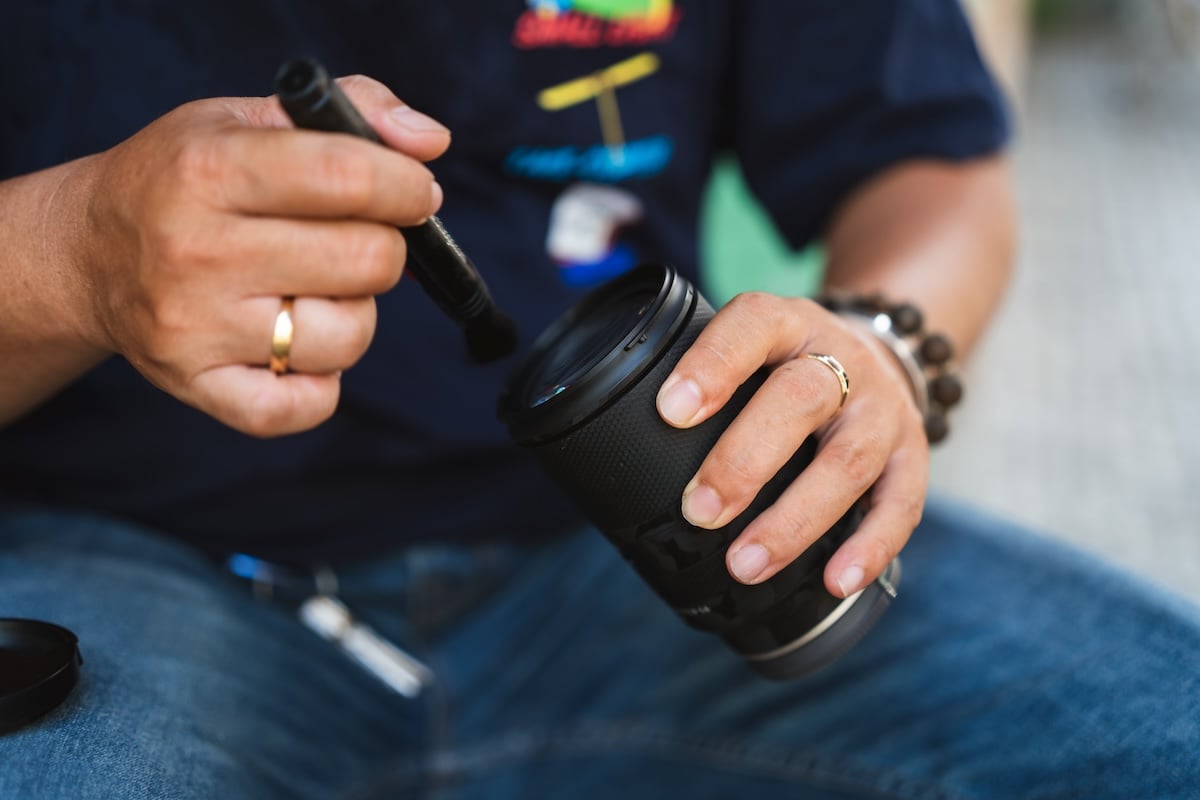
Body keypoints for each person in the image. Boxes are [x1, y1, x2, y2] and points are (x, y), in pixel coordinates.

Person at [1, 1, 1197, 797]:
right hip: (116, 565)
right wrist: (66, 253)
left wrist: (879, 345)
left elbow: (934, 170)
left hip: (648, 542)